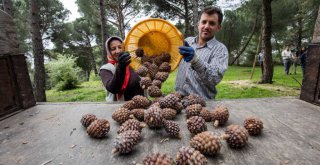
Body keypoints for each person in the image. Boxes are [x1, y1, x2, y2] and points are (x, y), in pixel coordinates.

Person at [175, 6, 228, 99]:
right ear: (198, 24)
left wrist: (195, 60)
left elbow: (214, 78)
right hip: (177, 100)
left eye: (212, 23)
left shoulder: (220, 49)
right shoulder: (187, 42)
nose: (206, 26)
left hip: (202, 105)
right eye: (204, 22)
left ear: (218, 27)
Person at [99, 36, 144, 102]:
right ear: (109, 52)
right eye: (113, 49)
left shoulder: (134, 65)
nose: (118, 51)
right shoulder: (105, 69)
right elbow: (113, 88)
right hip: (120, 110)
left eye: (120, 47)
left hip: (141, 108)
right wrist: (121, 67)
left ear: (124, 48)